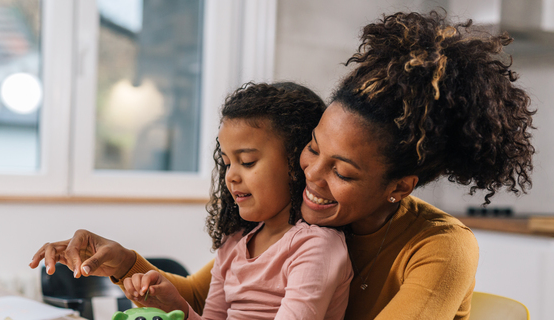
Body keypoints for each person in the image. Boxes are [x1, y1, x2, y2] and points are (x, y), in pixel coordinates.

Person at [30, 11, 536, 320]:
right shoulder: (292, 224)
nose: (311, 176)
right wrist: (125, 264)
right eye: (313, 148)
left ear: (398, 187)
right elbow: (205, 298)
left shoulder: (439, 247)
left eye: (343, 172)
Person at [124, 82, 352, 320]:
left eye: (247, 162)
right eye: (227, 162)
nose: (231, 176)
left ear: (295, 161)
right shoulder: (233, 242)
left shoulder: (315, 246)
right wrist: (175, 306)